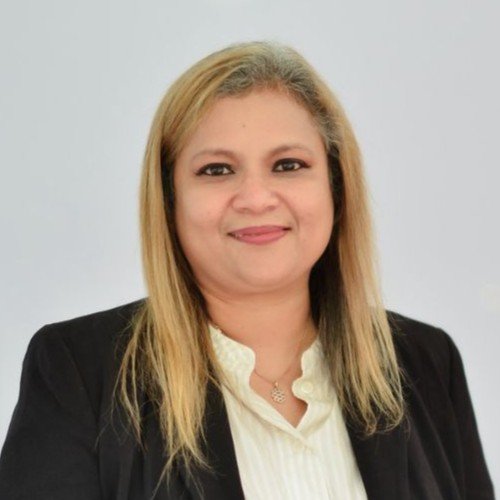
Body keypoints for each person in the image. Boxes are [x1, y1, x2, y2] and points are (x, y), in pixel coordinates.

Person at [0, 41, 494, 500]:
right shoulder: (80, 374)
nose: (256, 198)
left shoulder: (426, 364)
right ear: (170, 201)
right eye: (217, 170)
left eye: (288, 165)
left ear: (336, 188)